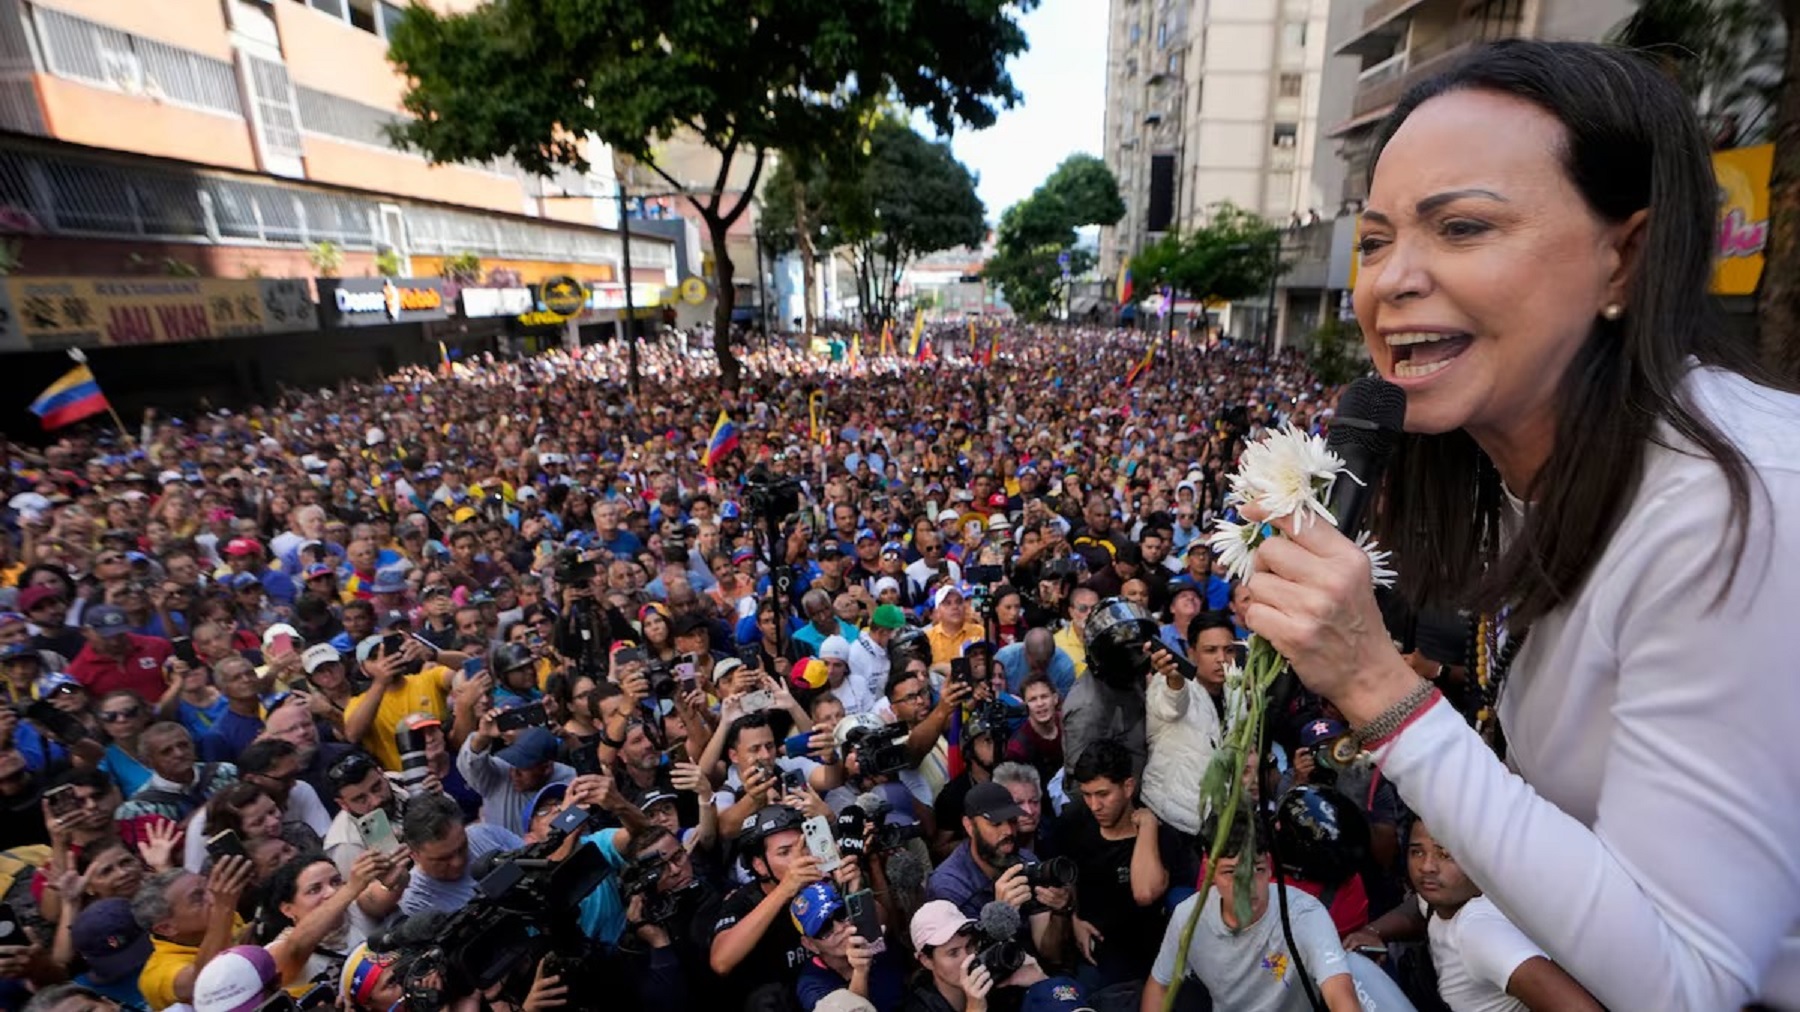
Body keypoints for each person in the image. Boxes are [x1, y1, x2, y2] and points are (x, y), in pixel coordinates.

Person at [1238, 40, 1800, 1009]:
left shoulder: (1741, 501)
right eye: (1374, 240)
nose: (1391, 281)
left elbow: (1688, 982)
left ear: (1624, 255)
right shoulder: (1514, 481)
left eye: (1461, 227)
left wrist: (1377, 685)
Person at [1143, 810, 1359, 1012]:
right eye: (1230, 872)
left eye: (1256, 869)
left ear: (1270, 865)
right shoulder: (1188, 917)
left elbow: (1339, 993)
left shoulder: (1305, 915)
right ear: (1210, 871)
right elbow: (1159, 986)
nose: (1246, 886)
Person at [1046, 740, 1191, 1007]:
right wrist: (1073, 917)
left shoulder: (1164, 836)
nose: (1094, 805)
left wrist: (1147, 827)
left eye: (1103, 794)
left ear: (1128, 787)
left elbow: (1145, 892)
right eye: (1087, 795)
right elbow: (1064, 880)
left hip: (1152, 960)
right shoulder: (1073, 826)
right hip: (1096, 959)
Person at [925, 782, 1071, 963]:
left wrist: (1060, 912)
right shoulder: (948, 886)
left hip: (1035, 971)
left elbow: (1051, 954)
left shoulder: (1026, 862)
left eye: (1012, 821)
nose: (1008, 831)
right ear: (969, 826)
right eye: (996, 823)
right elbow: (962, 969)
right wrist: (999, 917)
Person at [129, 855, 255, 1009]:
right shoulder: (156, 974)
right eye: (198, 898)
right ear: (166, 928)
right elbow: (205, 981)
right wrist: (223, 908)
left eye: (208, 886)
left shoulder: (222, 916)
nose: (213, 896)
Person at [395, 789, 522, 917]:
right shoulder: (416, 900)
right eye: (443, 859)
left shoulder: (485, 835)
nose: (457, 862)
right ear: (413, 854)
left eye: (462, 847)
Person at [790, 881, 905, 1012]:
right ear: (810, 944)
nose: (839, 928)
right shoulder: (811, 984)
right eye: (824, 928)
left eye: (841, 914)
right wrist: (860, 972)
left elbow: (888, 920)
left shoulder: (875, 943)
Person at [456, 722, 574, 837]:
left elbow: (577, 822)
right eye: (513, 764)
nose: (514, 773)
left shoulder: (570, 780)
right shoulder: (498, 772)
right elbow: (470, 763)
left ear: (546, 768)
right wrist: (482, 736)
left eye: (523, 767)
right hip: (500, 854)